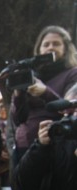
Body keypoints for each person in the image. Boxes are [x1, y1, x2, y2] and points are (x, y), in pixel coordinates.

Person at [10, 25, 77, 166]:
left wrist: (45, 92)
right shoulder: (30, 76)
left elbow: (70, 109)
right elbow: (18, 119)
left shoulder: (72, 73)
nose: (50, 47)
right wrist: (18, 94)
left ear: (66, 48)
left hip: (56, 147)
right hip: (24, 148)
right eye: (46, 44)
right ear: (39, 50)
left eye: (56, 44)